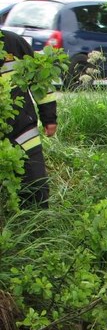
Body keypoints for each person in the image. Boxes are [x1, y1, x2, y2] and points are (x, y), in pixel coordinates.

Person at [1, 29, 58, 208]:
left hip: (23, 128)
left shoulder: (13, 42)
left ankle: (39, 230)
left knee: (36, 185)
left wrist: (49, 118)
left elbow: (41, 80)